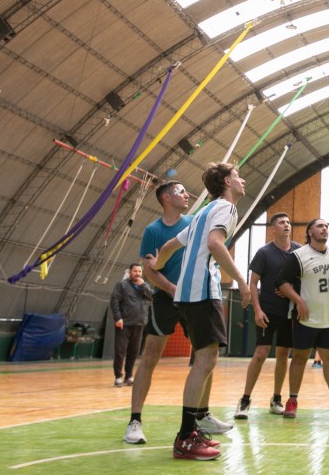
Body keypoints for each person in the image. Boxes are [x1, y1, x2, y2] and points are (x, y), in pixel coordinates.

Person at [146, 162, 251, 460]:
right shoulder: (226, 209)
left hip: (186, 293)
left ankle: (191, 429)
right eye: (238, 176)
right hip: (202, 290)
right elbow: (215, 243)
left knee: (205, 359)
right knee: (206, 360)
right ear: (228, 182)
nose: (242, 180)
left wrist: (159, 265)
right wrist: (242, 281)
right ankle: (185, 436)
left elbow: (168, 246)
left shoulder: (204, 211)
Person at [123, 181, 196, 445]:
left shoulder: (194, 223)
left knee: (204, 356)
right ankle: (134, 421)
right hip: (165, 300)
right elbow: (150, 271)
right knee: (150, 356)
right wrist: (172, 289)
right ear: (166, 198)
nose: (186, 193)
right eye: (180, 190)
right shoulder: (152, 231)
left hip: (193, 299)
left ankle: (201, 416)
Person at [275, 218, 329, 419]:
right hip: (306, 317)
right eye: (320, 226)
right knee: (299, 358)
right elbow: (281, 282)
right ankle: (292, 400)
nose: (324, 229)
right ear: (310, 231)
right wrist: (298, 300)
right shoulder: (298, 256)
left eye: (326, 227)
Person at [234, 212, 301, 420]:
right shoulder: (264, 253)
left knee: (283, 356)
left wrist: (291, 290)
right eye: (282, 222)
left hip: (289, 313)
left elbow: (304, 278)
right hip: (268, 311)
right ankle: (244, 400)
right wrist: (257, 310)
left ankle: (276, 399)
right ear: (274, 228)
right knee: (261, 353)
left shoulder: (299, 251)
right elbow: (253, 283)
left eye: (288, 222)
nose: (286, 225)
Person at [110, 263, 153, 387]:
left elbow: (151, 296)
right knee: (120, 351)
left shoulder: (143, 286)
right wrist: (118, 318)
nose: (138, 274)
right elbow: (114, 301)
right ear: (130, 272)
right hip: (124, 324)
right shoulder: (122, 285)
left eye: (139, 271)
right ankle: (118, 376)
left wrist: (143, 285)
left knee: (133, 352)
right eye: (135, 271)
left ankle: (129, 376)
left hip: (139, 324)